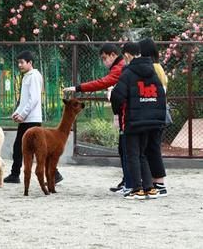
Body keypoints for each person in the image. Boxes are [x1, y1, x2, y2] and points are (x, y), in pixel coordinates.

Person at [63, 43, 130, 194]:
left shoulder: (120, 67)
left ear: (113, 54)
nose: (104, 61)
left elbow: (103, 82)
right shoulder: (119, 66)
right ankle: (128, 180)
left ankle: (130, 182)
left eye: (105, 58)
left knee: (126, 148)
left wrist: (78, 88)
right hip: (124, 113)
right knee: (124, 148)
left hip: (128, 114)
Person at [110, 42, 166, 199]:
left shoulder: (128, 73)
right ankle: (149, 187)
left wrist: (115, 107)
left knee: (132, 154)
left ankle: (137, 189)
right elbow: (161, 96)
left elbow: (118, 97)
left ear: (127, 55)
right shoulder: (153, 72)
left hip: (133, 121)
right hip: (150, 121)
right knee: (142, 154)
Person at [4, 51, 63, 184]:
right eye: (18, 62)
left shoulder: (34, 76)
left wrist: (23, 114)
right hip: (26, 119)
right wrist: (17, 112)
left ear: (30, 63)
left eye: (22, 62)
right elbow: (24, 100)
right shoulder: (27, 76)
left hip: (32, 120)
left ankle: (53, 173)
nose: (20, 65)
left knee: (35, 149)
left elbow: (34, 98)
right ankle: (15, 174)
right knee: (22, 147)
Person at [139, 38, 168, 197]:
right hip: (156, 112)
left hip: (155, 113)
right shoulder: (157, 67)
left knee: (153, 148)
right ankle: (154, 181)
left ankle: (160, 183)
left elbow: (158, 91)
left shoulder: (155, 68)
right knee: (151, 147)